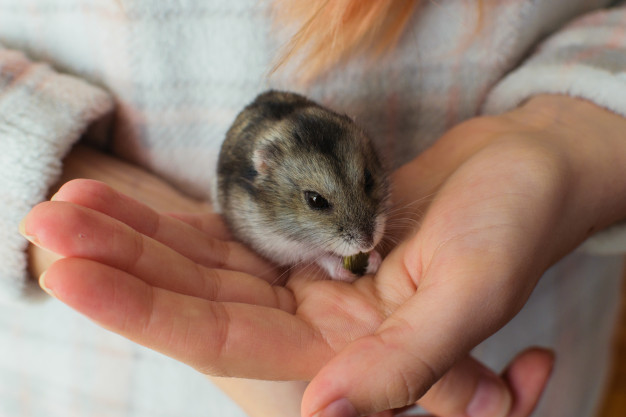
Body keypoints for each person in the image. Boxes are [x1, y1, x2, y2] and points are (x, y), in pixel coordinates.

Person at [4, 1, 626, 416]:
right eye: (321, 204)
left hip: (551, 316)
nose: (360, 230)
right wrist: (49, 158)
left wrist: (568, 130)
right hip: (89, 379)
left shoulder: (359, 180)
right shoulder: (259, 202)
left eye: (364, 186)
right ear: (268, 182)